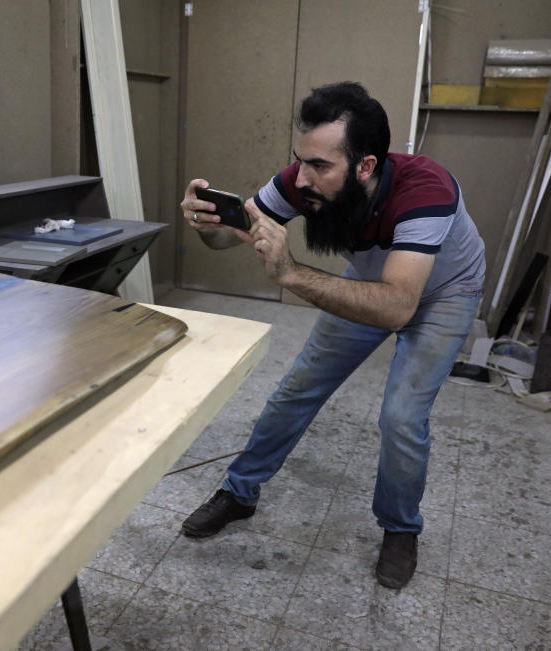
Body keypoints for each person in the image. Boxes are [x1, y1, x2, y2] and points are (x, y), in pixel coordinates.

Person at [178, 82, 485, 589]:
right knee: (297, 388)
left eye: (320, 166)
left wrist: (291, 273)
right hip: (374, 281)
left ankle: (400, 527)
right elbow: (229, 236)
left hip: (441, 294)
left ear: (365, 166)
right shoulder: (302, 180)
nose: (303, 178)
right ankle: (239, 493)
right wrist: (205, 220)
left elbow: (397, 307)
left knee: (402, 417)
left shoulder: (425, 190)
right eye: (301, 160)